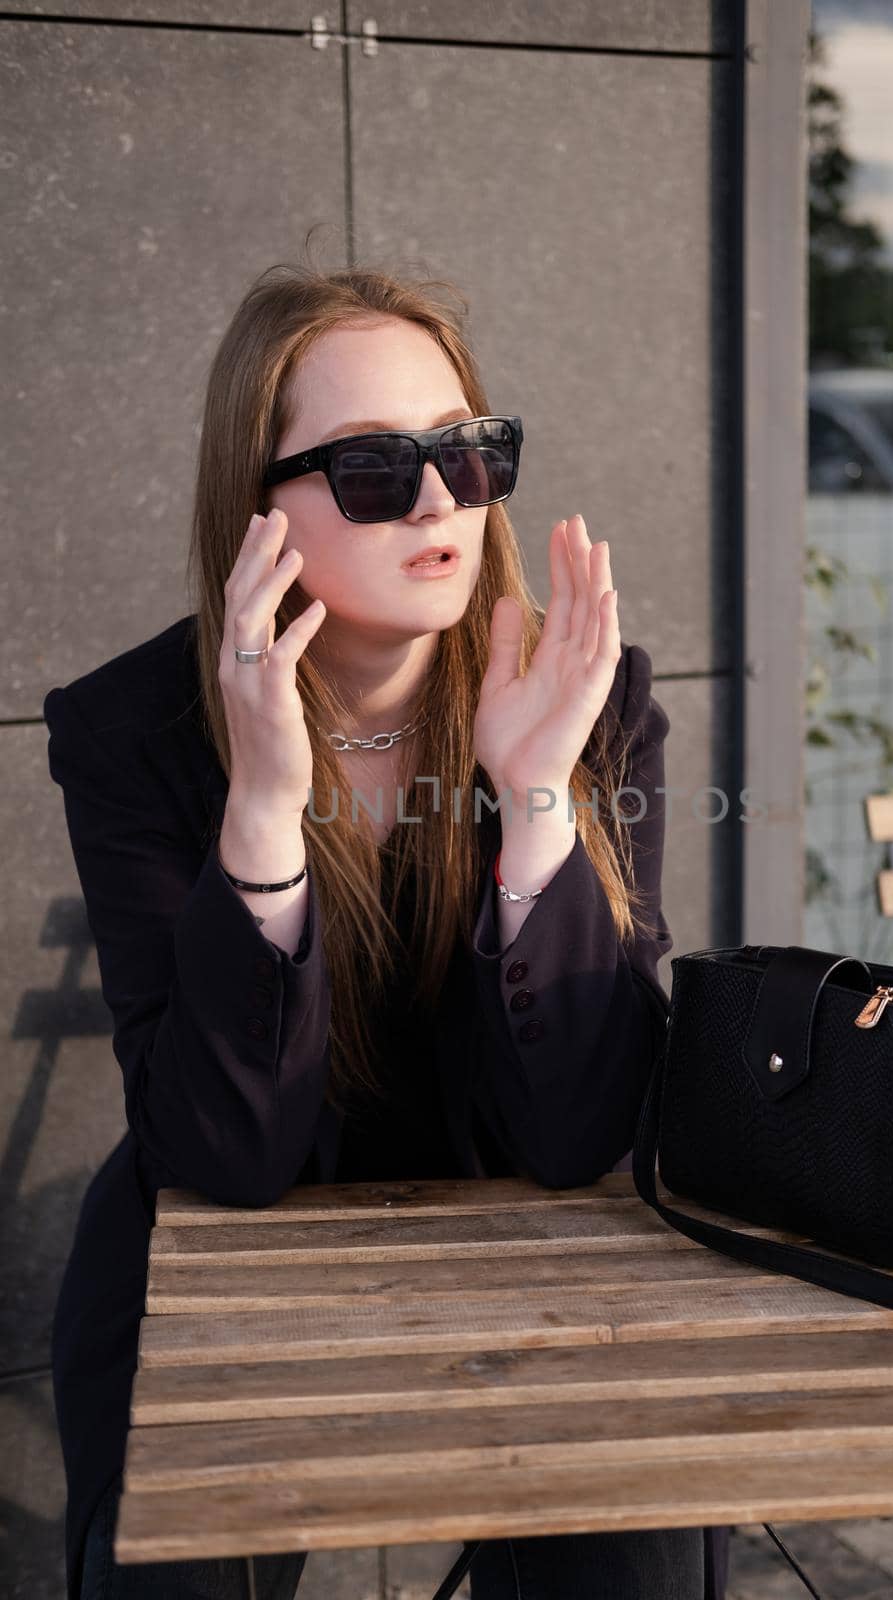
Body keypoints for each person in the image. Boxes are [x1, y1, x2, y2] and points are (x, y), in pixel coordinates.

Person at [43, 260, 731, 1599]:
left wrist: (535, 804)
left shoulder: (588, 690)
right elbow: (224, 1158)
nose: (436, 502)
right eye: (370, 466)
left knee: (641, 1563)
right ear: (259, 506)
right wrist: (262, 812)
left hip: (523, 1225)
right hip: (227, 1247)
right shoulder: (133, 732)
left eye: (467, 453)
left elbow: (581, 1129)